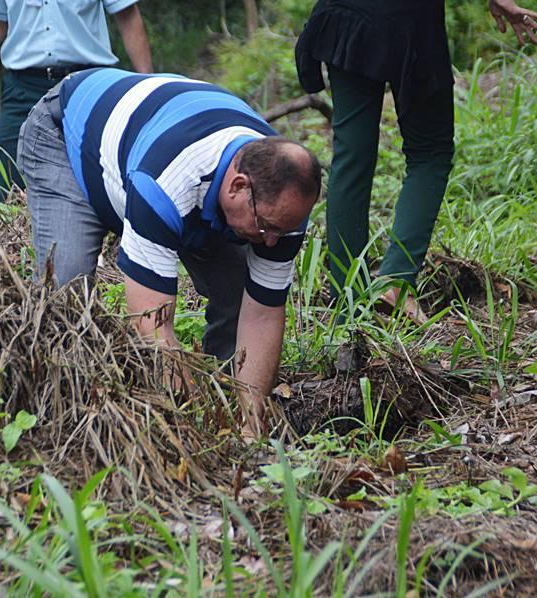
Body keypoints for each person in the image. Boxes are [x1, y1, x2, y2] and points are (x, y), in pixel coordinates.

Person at [18, 68, 322, 439]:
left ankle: (231, 407)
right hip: (67, 134)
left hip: (151, 145)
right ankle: (60, 418)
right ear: (238, 186)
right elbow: (151, 325)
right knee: (66, 290)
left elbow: (261, 314)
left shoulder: (281, 204)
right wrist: (195, 428)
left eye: (282, 229)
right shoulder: (166, 181)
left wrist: (250, 427)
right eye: (267, 228)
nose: (273, 241)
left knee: (237, 291)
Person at [295, 0, 537, 321]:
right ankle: (396, 281)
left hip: (350, 16)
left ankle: (347, 303)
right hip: (412, 20)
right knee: (431, 152)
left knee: (352, 156)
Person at [0, 0, 153, 203]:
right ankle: (11, 235)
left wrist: (148, 83)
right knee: (7, 163)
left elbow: (127, 15)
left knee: (100, 167)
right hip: (23, 85)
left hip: (87, 81)